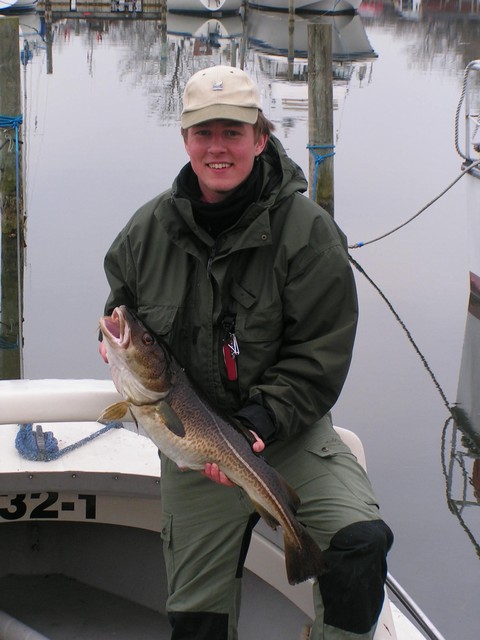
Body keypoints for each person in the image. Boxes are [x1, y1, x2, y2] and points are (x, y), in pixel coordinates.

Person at [99, 64, 393, 640]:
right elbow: (121, 309)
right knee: (196, 622)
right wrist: (113, 338)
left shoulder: (310, 233)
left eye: (232, 132)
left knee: (360, 546)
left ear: (260, 138)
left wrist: (262, 417)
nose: (218, 148)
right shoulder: (144, 232)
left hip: (288, 437)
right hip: (194, 449)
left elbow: (320, 354)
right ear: (185, 139)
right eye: (204, 133)